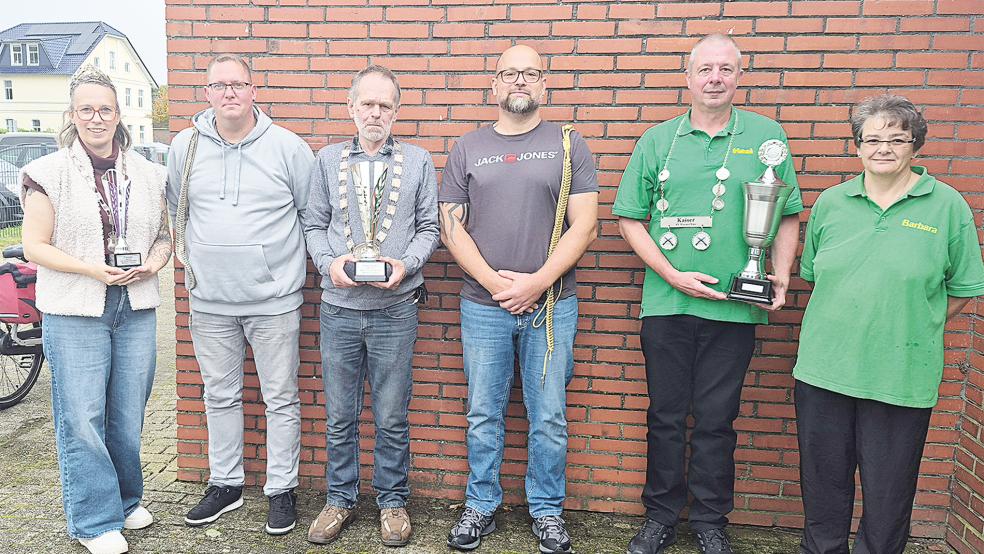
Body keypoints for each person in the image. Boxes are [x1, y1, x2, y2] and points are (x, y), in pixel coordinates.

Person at [614, 34, 803, 554]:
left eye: (726, 69)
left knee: (719, 420)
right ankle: (660, 516)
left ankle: (711, 521)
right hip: (667, 305)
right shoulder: (658, 140)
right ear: (689, 76)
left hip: (736, 308)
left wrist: (781, 275)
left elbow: (786, 213)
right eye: (705, 69)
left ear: (740, 76)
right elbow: (630, 218)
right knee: (666, 416)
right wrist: (671, 275)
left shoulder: (767, 137)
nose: (715, 78)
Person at [794, 95, 984, 553]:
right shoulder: (832, 203)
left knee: (888, 496)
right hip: (824, 370)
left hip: (900, 374)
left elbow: (962, 288)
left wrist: (914, 320)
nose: (883, 148)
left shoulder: (947, 206)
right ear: (856, 146)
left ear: (915, 146)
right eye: (872, 139)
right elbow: (814, 275)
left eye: (897, 139)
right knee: (823, 491)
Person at [440, 45, 599, 554]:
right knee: (483, 411)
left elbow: (586, 226)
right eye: (510, 73)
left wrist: (536, 283)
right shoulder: (467, 147)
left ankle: (547, 510)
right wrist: (495, 284)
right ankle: (481, 504)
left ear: (544, 85)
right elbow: (451, 228)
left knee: (548, 413)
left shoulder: (570, 145)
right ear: (495, 85)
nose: (520, 82)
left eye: (530, 73)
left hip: (552, 306)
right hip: (483, 306)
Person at [20, 66, 171, 554]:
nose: (96, 117)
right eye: (86, 109)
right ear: (72, 114)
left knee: (127, 413)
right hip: (76, 309)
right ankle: (93, 520)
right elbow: (33, 247)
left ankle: (126, 502)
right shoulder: (47, 173)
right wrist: (92, 270)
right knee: (82, 416)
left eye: (105, 108)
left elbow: (166, 237)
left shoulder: (149, 174)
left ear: (119, 113)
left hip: (135, 305)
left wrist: (151, 263)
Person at [165, 53, 314, 536]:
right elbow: (176, 207)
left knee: (280, 398)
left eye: (238, 84)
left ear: (254, 91)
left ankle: (280, 488)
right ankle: (226, 484)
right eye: (219, 85)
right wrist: (195, 263)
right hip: (209, 300)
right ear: (206, 93)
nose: (229, 93)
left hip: (273, 301)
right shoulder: (183, 147)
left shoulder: (288, 148)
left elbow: (310, 214)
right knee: (220, 395)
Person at [303, 65, 439, 547]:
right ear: (351, 108)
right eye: (367, 104)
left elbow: (430, 228)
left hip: (395, 308)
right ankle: (339, 499)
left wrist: (406, 264)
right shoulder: (326, 160)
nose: (376, 113)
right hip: (339, 306)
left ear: (397, 111)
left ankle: (392, 502)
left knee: (391, 414)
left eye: (385, 105)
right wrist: (327, 263)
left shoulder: (420, 162)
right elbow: (314, 225)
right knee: (339, 414)